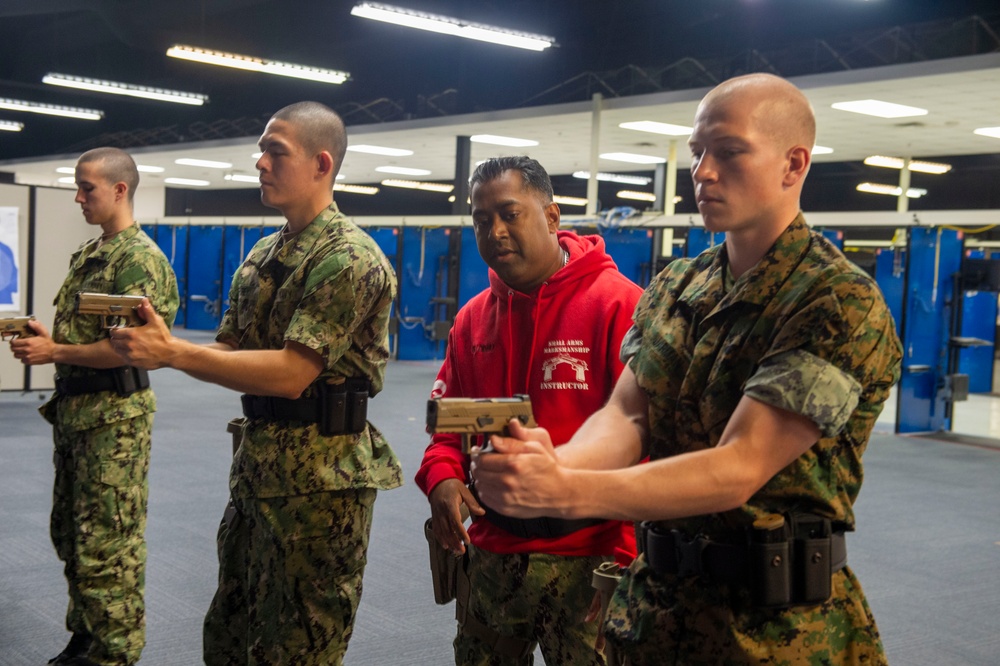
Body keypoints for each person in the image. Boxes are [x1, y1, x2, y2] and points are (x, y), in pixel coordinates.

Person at [471, 73, 902, 664]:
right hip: (659, 612)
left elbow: (739, 466)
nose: (701, 171)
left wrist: (568, 489)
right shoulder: (678, 285)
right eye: (698, 153)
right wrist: (553, 461)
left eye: (727, 152)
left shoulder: (833, 300)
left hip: (775, 631)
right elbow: (627, 415)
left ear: (792, 164)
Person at [109, 101, 402, 666]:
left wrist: (174, 354)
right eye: (261, 150)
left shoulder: (349, 257)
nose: (260, 162)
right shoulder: (266, 253)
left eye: (275, 151)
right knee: (230, 636)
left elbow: (294, 373)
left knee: (296, 647)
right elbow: (231, 352)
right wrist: (164, 347)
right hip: (258, 470)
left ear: (321, 164)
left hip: (321, 487)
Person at [416, 156, 642, 665]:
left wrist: (627, 561)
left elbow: (647, 444)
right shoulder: (474, 318)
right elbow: (449, 427)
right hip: (495, 556)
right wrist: (443, 478)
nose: (494, 231)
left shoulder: (619, 306)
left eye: (509, 214)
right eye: (480, 219)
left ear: (552, 217)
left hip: (592, 559)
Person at [9, 147, 179, 666]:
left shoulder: (140, 261)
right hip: (78, 416)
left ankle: (114, 654)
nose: (79, 197)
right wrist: (50, 337)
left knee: (108, 543)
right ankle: (86, 639)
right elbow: (91, 333)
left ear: (120, 190)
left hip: (115, 423)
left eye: (88, 188)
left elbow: (135, 347)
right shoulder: (92, 254)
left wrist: (55, 351)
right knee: (73, 535)